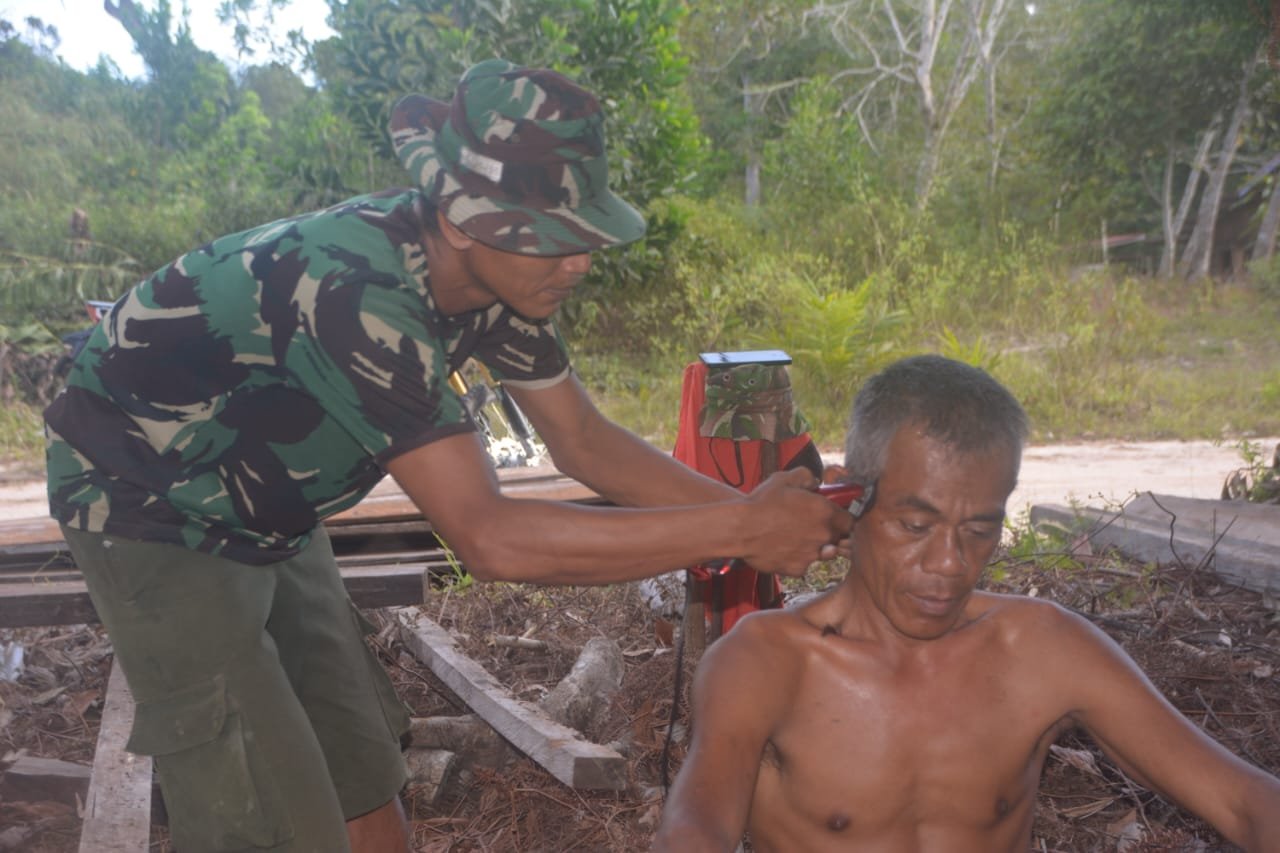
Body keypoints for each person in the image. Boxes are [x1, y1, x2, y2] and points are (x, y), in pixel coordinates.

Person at [43, 59, 852, 853]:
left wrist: (752, 511)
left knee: (361, 760)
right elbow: (489, 538)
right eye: (553, 239)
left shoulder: (503, 280)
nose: (579, 261)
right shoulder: (363, 295)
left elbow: (583, 439)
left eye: (585, 234)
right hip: (148, 502)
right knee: (263, 812)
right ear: (463, 220)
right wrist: (741, 529)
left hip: (268, 508)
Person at [653, 354, 1280, 852]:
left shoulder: (1042, 649)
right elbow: (696, 830)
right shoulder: (766, 660)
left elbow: (1244, 802)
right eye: (914, 526)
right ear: (850, 499)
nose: (950, 564)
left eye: (980, 529)